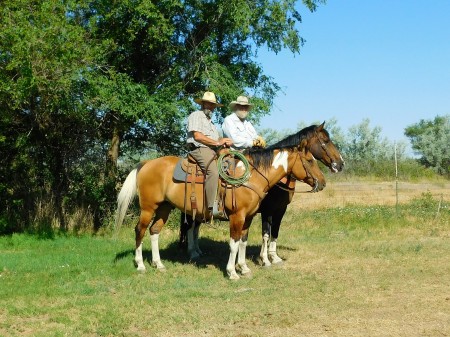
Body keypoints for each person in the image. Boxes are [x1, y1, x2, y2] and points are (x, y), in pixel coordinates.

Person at [187, 91, 233, 213]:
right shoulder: (196, 115)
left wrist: (223, 141)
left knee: (231, 165)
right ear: (203, 104)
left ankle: (228, 200)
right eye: (208, 104)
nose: (211, 107)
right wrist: (217, 143)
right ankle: (211, 206)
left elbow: (215, 139)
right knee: (213, 171)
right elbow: (197, 136)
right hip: (199, 148)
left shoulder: (212, 124)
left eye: (213, 105)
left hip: (211, 149)